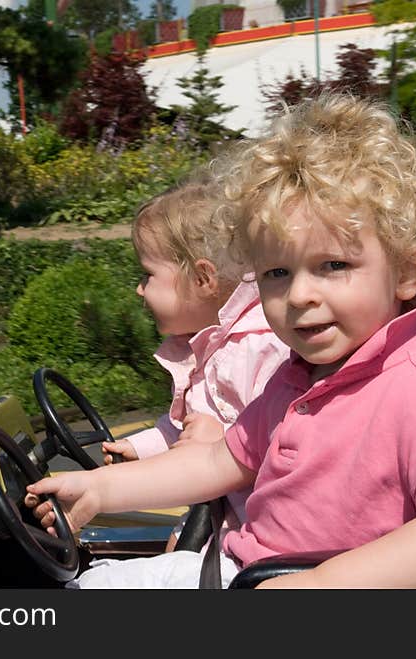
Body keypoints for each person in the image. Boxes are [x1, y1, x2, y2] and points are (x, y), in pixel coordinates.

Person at [26, 93, 416, 588]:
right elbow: (221, 459)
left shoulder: (413, 389)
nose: (300, 294)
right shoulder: (299, 377)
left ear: (407, 270)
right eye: (277, 273)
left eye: (334, 265)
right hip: (238, 571)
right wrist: (100, 489)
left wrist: (316, 587)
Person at [102, 176, 290, 551]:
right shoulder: (207, 344)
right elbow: (192, 425)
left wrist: (219, 444)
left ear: (203, 278)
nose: (140, 289)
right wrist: (143, 447)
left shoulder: (258, 351)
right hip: (222, 514)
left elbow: (287, 450)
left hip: (262, 536)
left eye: (148, 275)